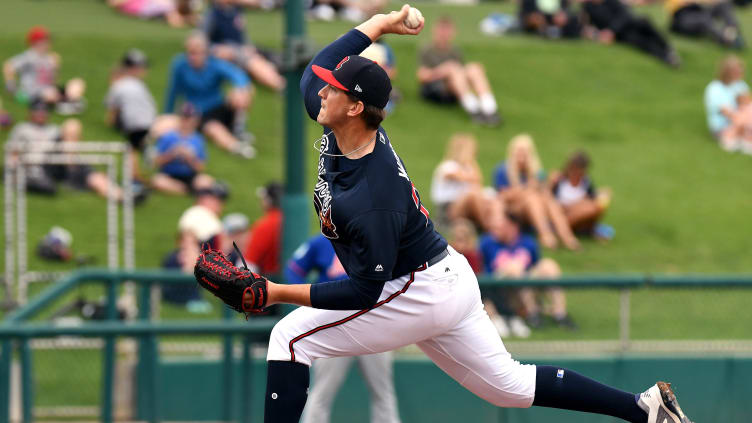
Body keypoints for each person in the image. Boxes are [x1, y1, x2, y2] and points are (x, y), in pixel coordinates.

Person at [198, 6, 694, 423]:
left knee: (290, 336)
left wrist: (272, 292)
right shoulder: (343, 124)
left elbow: (365, 292)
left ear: (355, 107)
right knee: (508, 385)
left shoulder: (375, 193)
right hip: (444, 275)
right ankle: (644, 408)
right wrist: (380, 22)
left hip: (414, 289)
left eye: (333, 90)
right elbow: (316, 68)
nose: (320, 92)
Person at [285, 234, 402, 423]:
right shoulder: (322, 241)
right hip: (335, 324)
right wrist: (309, 300)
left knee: (383, 392)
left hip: (372, 323)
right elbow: (294, 269)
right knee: (323, 391)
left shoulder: (376, 236)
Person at [7, 99, 128, 201]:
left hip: (62, 160)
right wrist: (14, 171)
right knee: (71, 126)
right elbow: (13, 154)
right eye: (38, 111)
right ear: (30, 112)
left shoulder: (54, 129)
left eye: (44, 111)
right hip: (42, 164)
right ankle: (74, 173)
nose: (41, 114)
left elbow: (69, 144)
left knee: (93, 176)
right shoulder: (22, 129)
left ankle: (121, 196)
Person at [165, 31, 255, 158]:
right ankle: (237, 147)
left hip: (220, 107)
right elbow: (173, 91)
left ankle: (239, 129)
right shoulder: (180, 65)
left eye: (197, 52)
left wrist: (240, 89)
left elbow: (239, 76)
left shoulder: (214, 63)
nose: (193, 57)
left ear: (206, 52)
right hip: (199, 113)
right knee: (214, 128)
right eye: (190, 52)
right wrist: (168, 114)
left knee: (243, 91)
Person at [480, 213, 575, 330]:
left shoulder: (528, 242)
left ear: (512, 227)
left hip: (527, 287)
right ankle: (533, 313)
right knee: (514, 269)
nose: (494, 231)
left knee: (548, 265)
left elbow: (536, 267)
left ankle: (560, 314)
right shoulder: (487, 243)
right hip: (501, 290)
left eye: (499, 227)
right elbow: (482, 273)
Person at [494, 134, 579, 250]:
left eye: (525, 151)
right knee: (532, 198)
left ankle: (567, 237)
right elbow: (503, 196)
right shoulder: (503, 169)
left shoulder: (536, 171)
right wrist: (527, 188)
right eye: (519, 151)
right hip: (513, 210)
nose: (521, 154)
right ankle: (546, 235)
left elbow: (546, 194)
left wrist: (549, 183)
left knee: (549, 201)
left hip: (534, 208)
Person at [417, 17, 501, 126]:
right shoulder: (427, 50)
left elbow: (461, 74)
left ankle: (490, 109)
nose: (444, 34)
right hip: (434, 90)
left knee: (474, 69)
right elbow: (422, 76)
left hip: (454, 88)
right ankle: (474, 110)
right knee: (453, 69)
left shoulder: (455, 51)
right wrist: (445, 70)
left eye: (447, 30)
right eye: (442, 30)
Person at [204, 0, 286, 92]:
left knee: (271, 55)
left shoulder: (235, 10)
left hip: (244, 48)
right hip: (232, 54)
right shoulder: (213, 15)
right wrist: (217, 49)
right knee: (254, 62)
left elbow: (241, 36)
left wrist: (248, 46)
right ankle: (282, 87)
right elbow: (201, 42)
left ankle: (290, 71)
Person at [3, 26, 86, 115]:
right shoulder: (28, 56)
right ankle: (64, 105)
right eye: (45, 41)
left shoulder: (50, 58)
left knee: (77, 84)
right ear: (36, 42)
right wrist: (11, 86)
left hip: (49, 89)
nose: (48, 43)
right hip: (32, 91)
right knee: (50, 94)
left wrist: (56, 68)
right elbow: (8, 66)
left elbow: (54, 81)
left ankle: (65, 103)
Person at [430, 133, 500, 232]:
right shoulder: (448, 166)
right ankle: (488, 228)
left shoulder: (468, 168)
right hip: (447, 208)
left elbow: (478, 185)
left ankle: (497, 225)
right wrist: (471, 163)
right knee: (472, 195)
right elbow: (460, 177)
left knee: (492, 197)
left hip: (465, 207)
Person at [105, 49, 157, 180]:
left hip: (134, 123)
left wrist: (111, 121)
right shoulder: (140, 85)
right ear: (133, 68)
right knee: (135, 146)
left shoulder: (119, 85)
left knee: (131, 149)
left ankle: (134, 177)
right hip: (149, 122)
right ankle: (141, 163)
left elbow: (111, 106)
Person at [581, 0, 680, 67]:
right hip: (620, 34)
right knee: (638, 40)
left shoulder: (611, 1)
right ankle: (665, 57)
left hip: (628, 24)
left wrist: (612, 30)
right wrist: (598, 35)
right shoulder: (588, 7)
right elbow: (588, 26)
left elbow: (625, 14)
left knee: (644, 23)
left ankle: (667, 48)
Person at [152, 103, 214, 195]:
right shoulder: (168, 137)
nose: (187, 121)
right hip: (170, 175)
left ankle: (186, 189)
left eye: (189, 118)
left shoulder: (198, 139)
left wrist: (190, 158)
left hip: (190, 176)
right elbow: (156, 162)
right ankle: (187, 190)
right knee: (157, 181)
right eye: (184, 117)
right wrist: (172, 154)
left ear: (195, 120)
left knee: (207, 181)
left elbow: (201, 167)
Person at [551, 151, 613, 239]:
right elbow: (548, 200)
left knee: (598, 204)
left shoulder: (585, 182)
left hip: (580, 214)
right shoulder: (559, 180)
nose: (576, 172)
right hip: (561, 212)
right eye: (574, 169)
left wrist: (603, 193)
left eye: (580, 170)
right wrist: (550, 184)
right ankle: (561, 228)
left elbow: (592, 197)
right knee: (590, 207)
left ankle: (564, 229)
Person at [704, 55, 750, 152]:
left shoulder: (740, 85)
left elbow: (747, 105)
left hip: (741, 121)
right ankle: (739, 140)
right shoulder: (714, 89)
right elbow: (728, 114)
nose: (740, 73)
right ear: (727, 72)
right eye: (737, 71)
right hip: (722, 127)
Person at [162, 230, 212, 313]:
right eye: (186, 242)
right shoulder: (172, 258)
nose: (189, 245)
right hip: (175, 295)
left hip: (194, 296)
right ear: (179, 243)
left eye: (192, 243)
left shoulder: (198, 258)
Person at [242, 182, 283, 275]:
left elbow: (248, 263)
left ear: (269, 200)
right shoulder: (292, 221)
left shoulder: (266, 224)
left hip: (270, 282)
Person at [667, 0, 744, 48]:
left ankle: (732, 31)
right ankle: (727, 39)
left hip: (701, 11)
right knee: (704, 19)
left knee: (723, 4)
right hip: (684, 16)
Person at [178, 182, 229, 249]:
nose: (219, 205)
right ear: (201, 199)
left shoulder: (209, 216)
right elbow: (187, 238)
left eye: (220, 201)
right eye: (214, 199)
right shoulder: (196, 211)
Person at [107, 0, 200, 28]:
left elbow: (175, 23)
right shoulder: (170, 5)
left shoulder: (170, 7)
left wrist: (188, 19)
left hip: (139, 7)